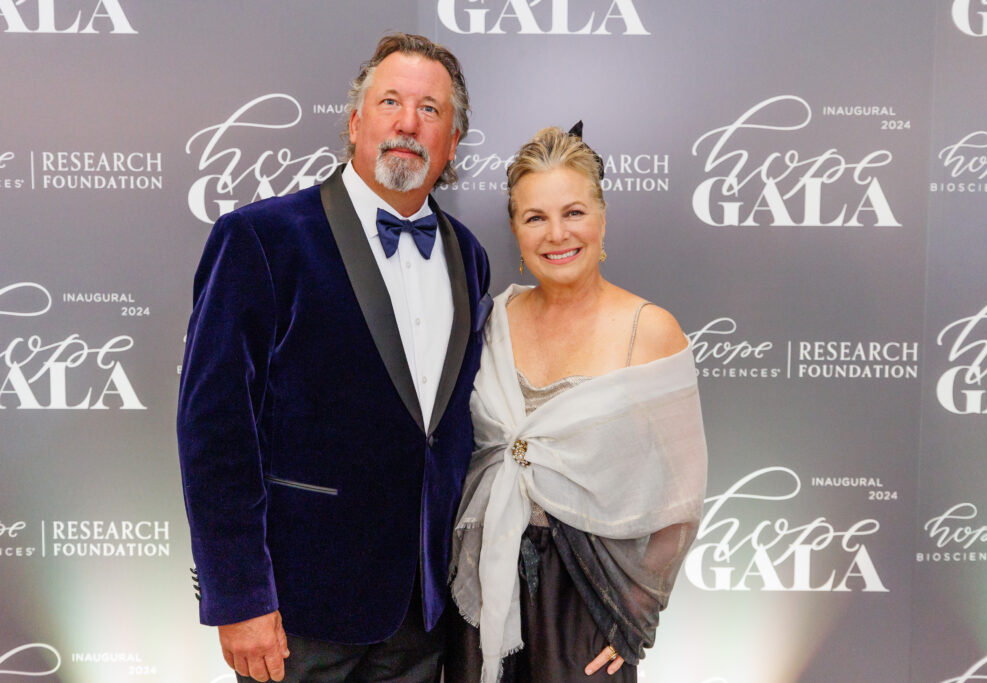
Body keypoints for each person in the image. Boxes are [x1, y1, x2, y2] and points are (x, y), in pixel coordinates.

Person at [177, 33, 490, 683]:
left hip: (422, 614)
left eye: (430, 110)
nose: (408, 122)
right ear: (355, 122)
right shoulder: (260, 240)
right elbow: (215, 432)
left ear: (452, 141)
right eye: (391, 102)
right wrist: (240, 596)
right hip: (297, 613)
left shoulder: (468, 254)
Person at [446, 125, 707, 682]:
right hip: (485, 585)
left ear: (602, 217)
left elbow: (679, 501)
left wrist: (634, 615)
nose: (556, 234)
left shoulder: (650, 330)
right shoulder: (492, 322)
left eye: (574, 213)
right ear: (515, 229)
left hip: (589, 597)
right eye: (534, 217)